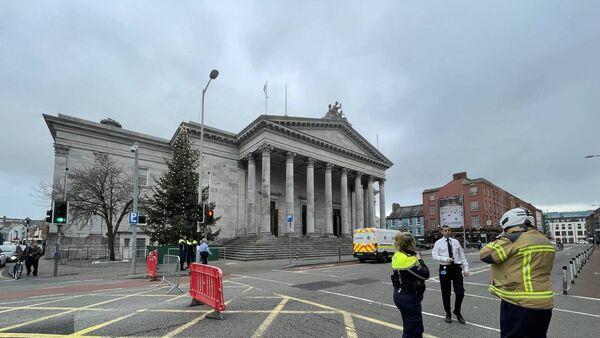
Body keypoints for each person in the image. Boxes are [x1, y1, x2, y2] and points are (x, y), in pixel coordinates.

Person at [480, 208, 555, 338]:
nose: (505, 232)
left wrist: (503, 237)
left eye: (506, 229)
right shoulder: (544, 240)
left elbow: (485, 254)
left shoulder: (513, 239)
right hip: (544, 302)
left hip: (519, 302)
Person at [391, 232, 430, 338]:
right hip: (409, 297)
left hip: (399, 295)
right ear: (412, 243)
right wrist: (420, 259)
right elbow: (425, 274)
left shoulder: (398, 255)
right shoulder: (409, 260)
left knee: (408, 325)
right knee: (414, 330)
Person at [432, 225, 469, 324]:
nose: (447, 232)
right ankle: (448, 313)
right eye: (445, 230)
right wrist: (445, 259)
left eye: (449, 230)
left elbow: (462, 255)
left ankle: (457, 311)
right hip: (444, 268)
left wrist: (466, 268)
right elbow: (434, 255)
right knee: (446, 292)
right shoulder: (438, 243)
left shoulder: (456, 242)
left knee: (460, 292)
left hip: (456, 268)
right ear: (442, 232)